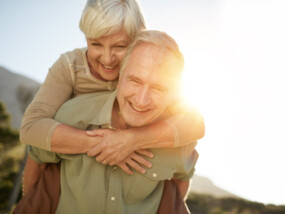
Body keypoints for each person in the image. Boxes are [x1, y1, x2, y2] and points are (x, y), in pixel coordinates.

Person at [20, 0, 204, 195]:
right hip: (73, 170)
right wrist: (106, 145)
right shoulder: (70, 67)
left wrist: (132, 140)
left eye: (119, 46)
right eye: (96, 44)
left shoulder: (151, 72)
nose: (107, 59)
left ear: (137, 41)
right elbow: (31, 127)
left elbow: (195, 124)